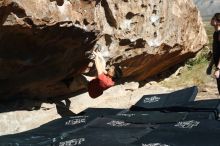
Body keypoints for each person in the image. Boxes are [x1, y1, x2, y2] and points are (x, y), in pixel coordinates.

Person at [211, 13, 220, 94]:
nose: (211, 19)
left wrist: (218, 69)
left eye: (213, 18)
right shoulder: (215, 33)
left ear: (218, 22)